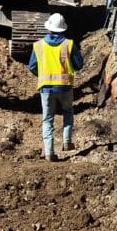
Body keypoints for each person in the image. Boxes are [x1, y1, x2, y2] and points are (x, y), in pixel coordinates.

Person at [28, 13, 83, 161]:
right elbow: (79, 65)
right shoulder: (69, 44)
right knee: (68, 111)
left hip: (46, 88)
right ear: (63, 29)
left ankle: (49, 152)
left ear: (48, 28)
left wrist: (42, 74)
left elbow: (32, 66)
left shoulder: (38, 45)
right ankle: (66, 142)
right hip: (65, 86)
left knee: (47, 119)